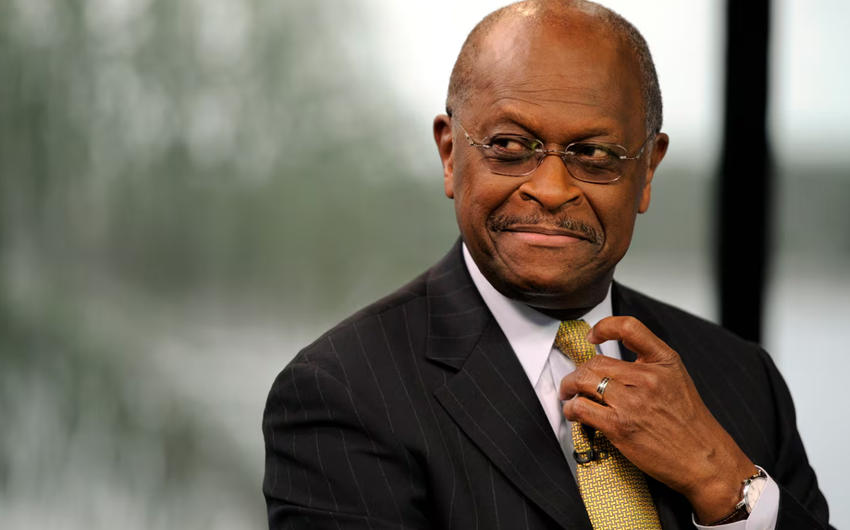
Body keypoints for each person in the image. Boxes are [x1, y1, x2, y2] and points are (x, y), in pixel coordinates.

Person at [262, 1, 832, 528]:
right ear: (450, 154)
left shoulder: (742, 378)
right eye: (510, 147)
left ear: (647, 172)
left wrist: (725, 484)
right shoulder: (342, 393)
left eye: (595, 154)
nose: (552, 189)